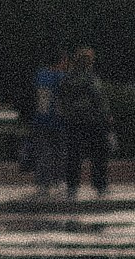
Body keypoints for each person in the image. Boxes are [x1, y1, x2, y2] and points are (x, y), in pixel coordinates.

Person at [60, 47, 112, 200]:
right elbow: (99, 98)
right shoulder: (91, 78)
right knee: (98, 154)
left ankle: (72, 187)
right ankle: (100, 185)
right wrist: (106, 116)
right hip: (93, 121)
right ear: (89, 62)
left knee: (73, 155)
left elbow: (63, 98)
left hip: (73, 122)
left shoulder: (68, 78)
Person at [29, 47, 67, 200]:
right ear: (60, 61)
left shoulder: (40, 75)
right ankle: (59, 181)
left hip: (40, 120)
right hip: (58, 121)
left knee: (43, 153)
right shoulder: (62, 77)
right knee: (60, 153)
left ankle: (42, 183)